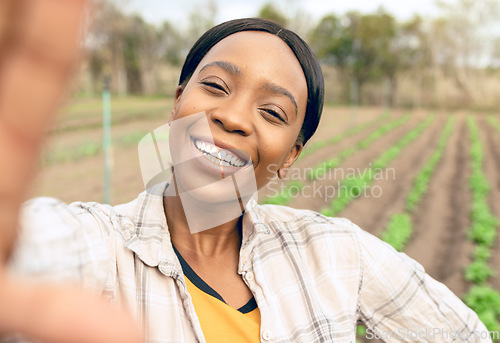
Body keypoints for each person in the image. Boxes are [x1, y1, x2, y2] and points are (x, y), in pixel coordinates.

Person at [0, 1, 492, 343]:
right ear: (177, 105)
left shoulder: (335, 253)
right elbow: (32, 251)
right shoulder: (98, 246)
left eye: (273, 113)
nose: (233, 118)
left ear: (291, 157)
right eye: (215, 86)